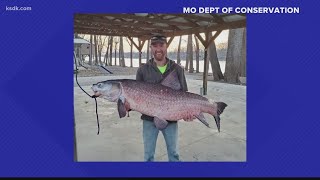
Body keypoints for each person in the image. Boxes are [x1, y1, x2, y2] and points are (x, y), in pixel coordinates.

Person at [136, 34, 189, 162]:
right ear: (150, 48)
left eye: (161, 45)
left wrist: (188, 112)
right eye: (155, 46)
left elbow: (184, 94)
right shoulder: (143, 70)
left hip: (171, 119)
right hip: (149, 120)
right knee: (148, 156)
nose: (158, 49)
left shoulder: (177, 69)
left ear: (166, 47)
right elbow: (135, 96)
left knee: (174, 154)